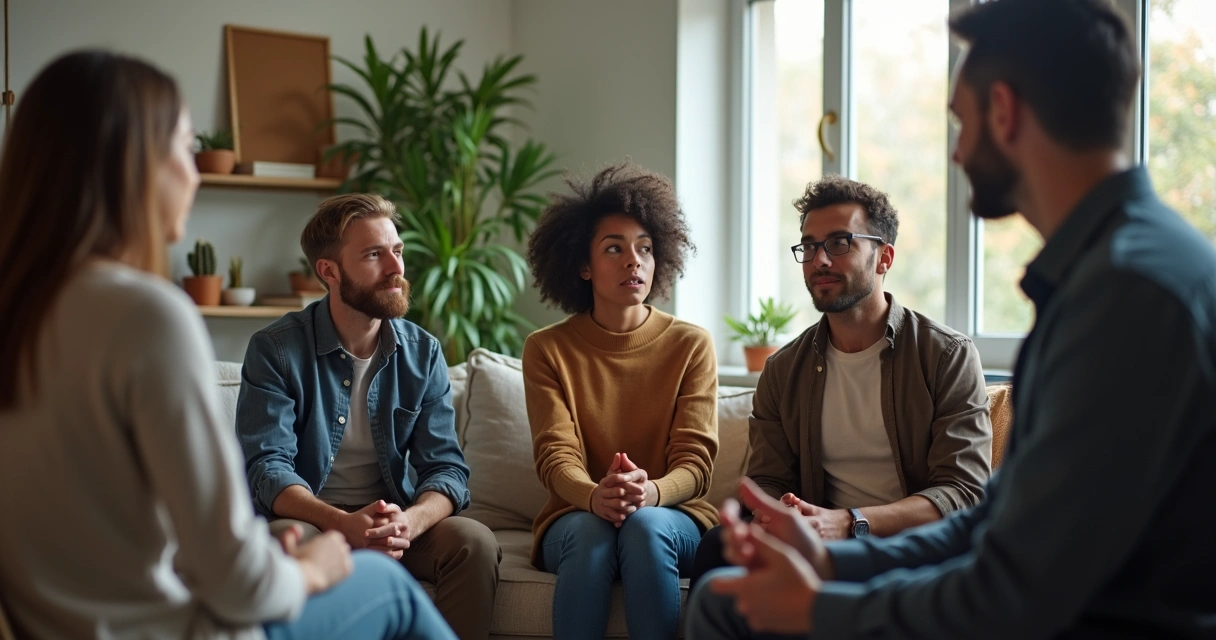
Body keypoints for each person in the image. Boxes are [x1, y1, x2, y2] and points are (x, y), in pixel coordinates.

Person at [687, 0, 1216, 637]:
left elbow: (1013, 590)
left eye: (960, 123)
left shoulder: (1127, 295)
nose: (959, 153)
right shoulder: (1110, 269)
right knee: (723, 592)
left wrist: (820, 608)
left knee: (725, 603)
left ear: (1005, 109)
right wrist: (832, 557)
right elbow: (997, 517)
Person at [0, 50, 453, 640]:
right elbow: (236, 579)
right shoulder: (147, 316)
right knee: (386, 587)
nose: (192, 173)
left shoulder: (20, 314)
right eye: (183, 149)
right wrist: (314, 566)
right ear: (130, 165)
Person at [688, 175, 991, 589]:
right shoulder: (782, 369)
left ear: (884, 258)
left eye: (839, 243)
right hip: (817, 542)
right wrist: (785, 513)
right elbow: (768, 478)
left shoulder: (946, 356)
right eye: (809, 246)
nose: (820, 260)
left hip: (912, 546)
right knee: (716, 548)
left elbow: (963, 491)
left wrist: (850, 523)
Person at [234, 193, 500, 640]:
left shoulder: (422, 352)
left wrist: (406, 523)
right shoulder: (275, 350)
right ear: (329, 271)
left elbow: (447, 470)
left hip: (394, 519)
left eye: (396, 251)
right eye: (374, 255)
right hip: (312, 520)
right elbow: (267, 470)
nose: (396, 268)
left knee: (473, 543)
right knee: (284, 539)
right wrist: (342, 523)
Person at [522, 162, 719, 639]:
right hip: (576, 516)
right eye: (615, 248)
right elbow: (555, 456)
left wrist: (648, 494)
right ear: (583, 266)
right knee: (591, 534)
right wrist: (595, 496)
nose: (634, 261)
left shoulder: (691, 344)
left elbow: (696, 463)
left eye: (645, 249)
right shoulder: (547, 349)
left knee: (646, 528)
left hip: (674, 518)